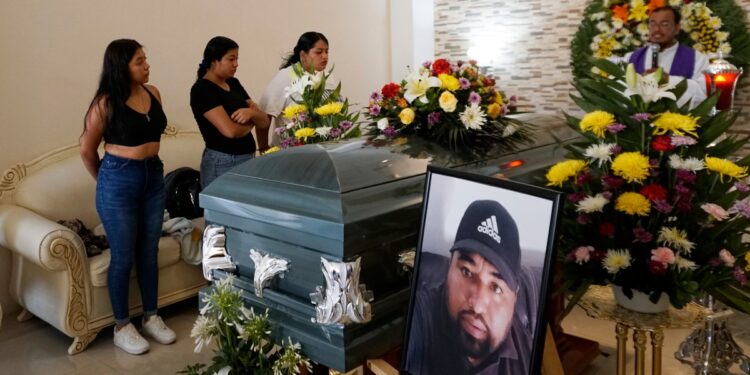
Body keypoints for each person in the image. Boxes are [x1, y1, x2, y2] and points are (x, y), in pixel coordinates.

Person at [80, 39, 176, 355]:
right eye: (139, 61)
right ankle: (122, 325)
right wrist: (107, 181)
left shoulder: (154, 93)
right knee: (123, 257)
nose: (147, 65)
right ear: (122, 67)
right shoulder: (105, 103)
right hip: (119, 179)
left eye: (145, 58)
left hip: (153, 177)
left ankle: (151, 316)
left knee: (148, 252)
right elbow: (86, 149)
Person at [404, 200, 537, 375]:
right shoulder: (418, 316)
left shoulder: (527, 352)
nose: (477, 305)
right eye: (466, 271)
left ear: (515, 297)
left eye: (496, 287)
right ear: (450, 266)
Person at [191, 36, 270, 189]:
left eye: (237, 59)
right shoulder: (202, 89)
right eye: (231, 59)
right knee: (222, 210)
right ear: (214, 61)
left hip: (247, 157)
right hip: (223, 161)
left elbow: (265, 121)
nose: (236, 64)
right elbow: (230, 131)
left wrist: (251, 114)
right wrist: (253, 120)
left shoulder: (233, 83)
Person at [622, 6, 710, 107]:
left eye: (664, 24)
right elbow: (619, 90)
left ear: (677, 28)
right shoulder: (631, 58)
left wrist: (668, 80)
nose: (657, 29)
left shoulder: (697, 59)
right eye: (652, 23)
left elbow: (704, 94)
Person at [258, 31, 334, 146]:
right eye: (319, 52)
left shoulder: (328, 77)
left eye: (326, 51)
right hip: (290, 152)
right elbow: (264, 116)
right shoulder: (285, 77)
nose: (325, 56)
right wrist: (264, 149)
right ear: (303, 55)